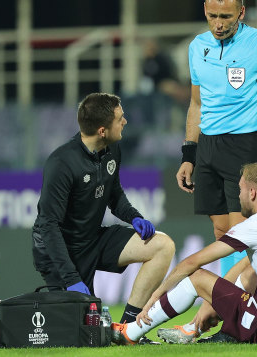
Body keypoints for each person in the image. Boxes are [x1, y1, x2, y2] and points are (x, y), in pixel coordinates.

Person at [112, 160, 257, 345]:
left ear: (252, 193)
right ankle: (200, 327)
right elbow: (247, 268)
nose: (238, 195)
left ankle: (131, 332)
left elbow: (191, 263)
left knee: (197, 278)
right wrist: (215, 304)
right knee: (250, 272)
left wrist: (153, 298)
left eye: (240, 189)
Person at [175, 0, 257, 276]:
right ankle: (236, 302)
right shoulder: (197, 47)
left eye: (226, 17)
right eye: (212, 16)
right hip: (208, 146)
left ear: (241, 13)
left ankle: (234, 308)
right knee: (221, 233)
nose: (218, 24)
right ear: (205, 10)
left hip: (246, 144)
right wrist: (188, 154)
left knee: (241, 234)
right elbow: (197, 104)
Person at [32, 92, 175, 344]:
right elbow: (48, 226)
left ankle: (129, 329)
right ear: (101, 130)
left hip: (92, 240)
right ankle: (1, 315)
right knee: (78, 336)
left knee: (163, 245)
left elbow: (114, 194)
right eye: (120, 118)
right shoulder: (61, 163)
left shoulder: (112, 149)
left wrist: (134, 218)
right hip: (60, 253)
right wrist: (72, 279)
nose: (125, 122)